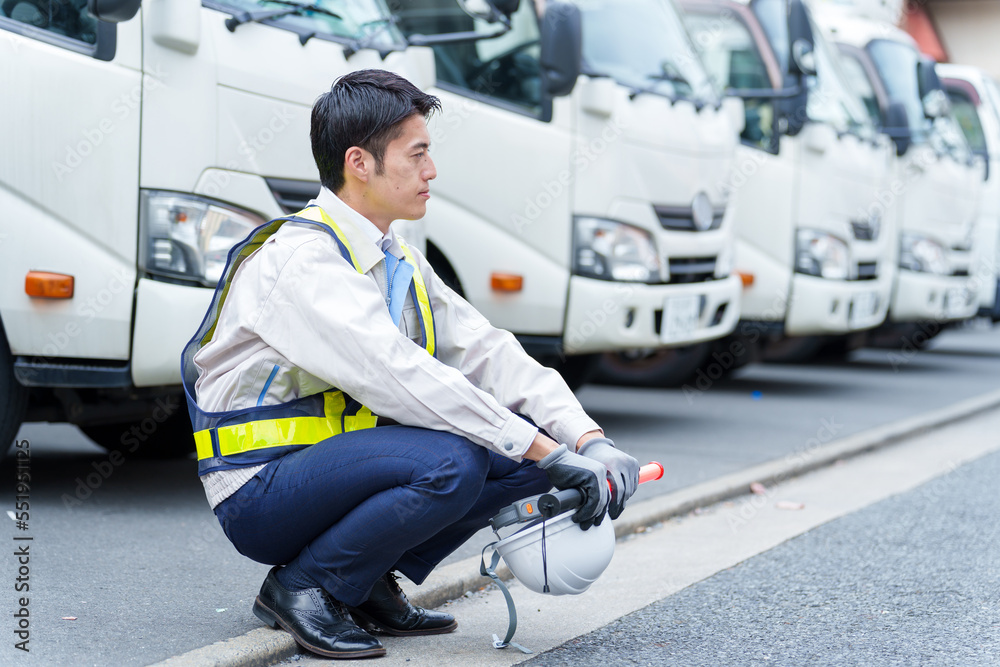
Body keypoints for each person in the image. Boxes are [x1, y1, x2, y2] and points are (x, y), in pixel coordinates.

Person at [181, 69, 640, 660]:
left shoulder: (394, 257)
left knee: (532, 455)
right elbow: (399, 375)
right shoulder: (302, 262)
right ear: (360, 163)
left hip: (331, 474)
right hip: (260, 489)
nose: (432, 171)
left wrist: (583, 439)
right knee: (457, 460)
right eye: (417, 153)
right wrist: (544, 448)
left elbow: (486, 348)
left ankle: (365, 581)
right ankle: (302, 587)